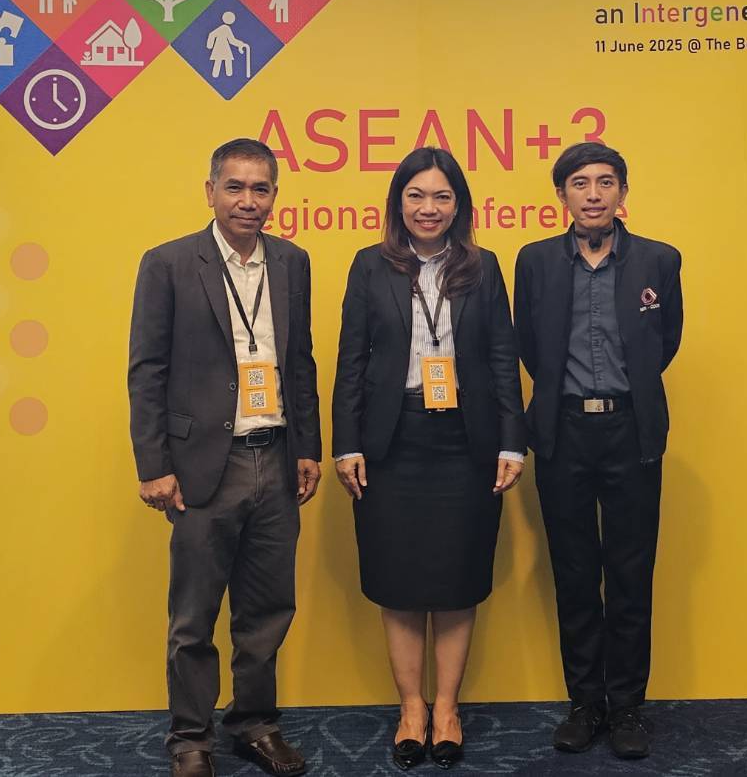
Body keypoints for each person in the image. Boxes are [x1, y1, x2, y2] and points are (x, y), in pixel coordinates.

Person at [128, 138, 323, 777]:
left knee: (267, 611)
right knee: (194, 617)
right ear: (210, 191)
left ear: (275, 196)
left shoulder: (292, 262)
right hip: (201, 465)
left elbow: (299, 362)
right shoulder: (168, 263)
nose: (247, 200)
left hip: (277, 456)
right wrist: (154, 465)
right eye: (234, 187)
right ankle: (190, 738)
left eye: (260, 188)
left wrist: (309, 447)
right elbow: (147, 370)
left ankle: (254, 724)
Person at [332, 146, 526, 770]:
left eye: (442, 196)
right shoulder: (370, 265)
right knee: (398, 581)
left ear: (458, 205)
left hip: (467, 443)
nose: (428, 207)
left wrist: (511, 440)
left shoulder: (483, 267)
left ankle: (447, 709)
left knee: (457, 580)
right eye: (416, 195)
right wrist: (347, 442)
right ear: (398, 202)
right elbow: (351, 361)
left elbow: (502, 358)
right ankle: (410, 709)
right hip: (391, 443)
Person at [513, 141, 684, 761]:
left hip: (631, 430)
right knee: (575, 571)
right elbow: (529, 346)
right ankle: (585, 703)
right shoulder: (535, 261)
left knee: (631, 572)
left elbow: (664, 342)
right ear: (562, 195)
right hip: (562, 431)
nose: (593, 194)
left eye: (605, 182)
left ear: (622, 193)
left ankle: (629, 705)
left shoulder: (659, 260)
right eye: (580, 183)